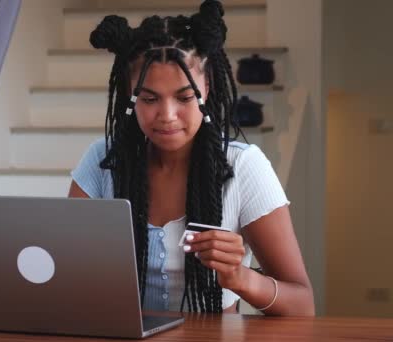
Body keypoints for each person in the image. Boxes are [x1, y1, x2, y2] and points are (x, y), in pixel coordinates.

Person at [68, 0, 314, 316]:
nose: (167, 116)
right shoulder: (104, 160)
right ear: (130, 95)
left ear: (207, 89)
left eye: (184, 97)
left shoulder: (243, 167)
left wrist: (240, 278)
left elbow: (303, 306)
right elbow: (65, 270)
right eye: (149, 98)